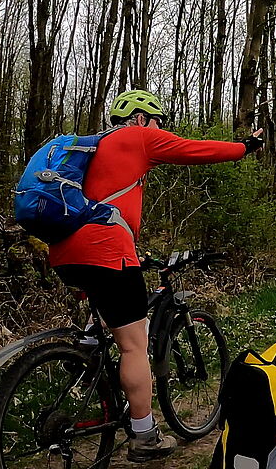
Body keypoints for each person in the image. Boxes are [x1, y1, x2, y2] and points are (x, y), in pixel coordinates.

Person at [50, 90, 263, 462]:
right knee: (134, 343)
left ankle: (85, 352)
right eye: (157, 120)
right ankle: (145, 435)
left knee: (108, 305)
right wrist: (245, 147)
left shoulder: (90, 148)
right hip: (106, 250)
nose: (160, 128)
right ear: (138, 118)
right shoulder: (137, 137)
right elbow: (195, 150)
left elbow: (99, 205)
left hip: (66, 250)